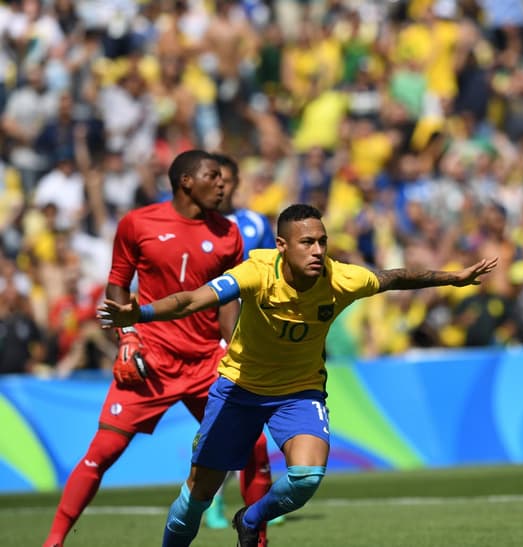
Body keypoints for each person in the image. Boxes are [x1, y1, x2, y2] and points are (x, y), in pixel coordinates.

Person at [97, 203, 498, 546]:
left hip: (299, 392)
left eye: (322, 241)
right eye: (307, 242)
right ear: (281, 246)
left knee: (306, 477)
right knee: (199, 495)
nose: (318, 250)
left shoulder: (341, 279)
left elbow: (394, 278)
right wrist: (141, 314)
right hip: (239, 388)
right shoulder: (255, 272)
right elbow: (192, 300)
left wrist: (454, 277)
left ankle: (251, 519)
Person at [43, 150, 272, 547]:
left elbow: (227, 300)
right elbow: (118, 282)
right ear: (186, 181)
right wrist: (127, 337)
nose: (223, 184)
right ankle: (54, 540)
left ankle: (257, 540)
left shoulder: (228, 234)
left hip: (206, 363)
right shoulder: (138, 223)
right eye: (213, 176)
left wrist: (236, 351)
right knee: (102, 453)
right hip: (152, 360)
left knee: (254, 446)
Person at [204, 152, 279, 530]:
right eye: (215, 179)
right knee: (219, 422)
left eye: (228, 180)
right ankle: (211, 500)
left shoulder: (253, 222)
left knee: (256, 425)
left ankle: (258, 502)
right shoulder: (201, 226)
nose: (223, 186)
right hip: (215, 334)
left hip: (256, 330)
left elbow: (273, 270)